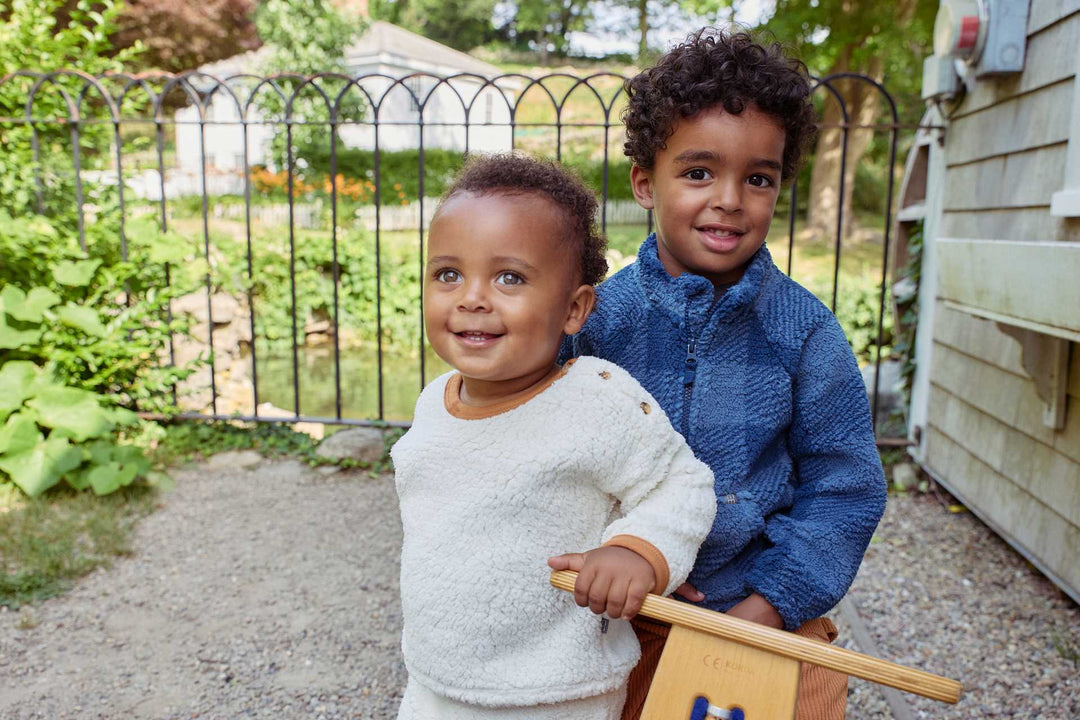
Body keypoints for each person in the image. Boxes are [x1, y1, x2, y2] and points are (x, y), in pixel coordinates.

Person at [561, 29, 888, 720]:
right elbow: (545, 458)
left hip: (766, 611)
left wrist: (766, 609)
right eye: (700, 172)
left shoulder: (806, 334)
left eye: (758, 178)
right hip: (624, 611)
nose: (730, 199)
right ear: (646, 182)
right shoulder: (594, 322)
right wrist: (620, 566)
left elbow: (846, 489)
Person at [391, 154, 717, 720]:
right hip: (437, 681)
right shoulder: (433, 400)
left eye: (509, 277)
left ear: (574, 308)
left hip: (556, 692)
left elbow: (682, 485)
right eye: (448, 274)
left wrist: (634, 550)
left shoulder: (593, 399)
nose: (471, 297)